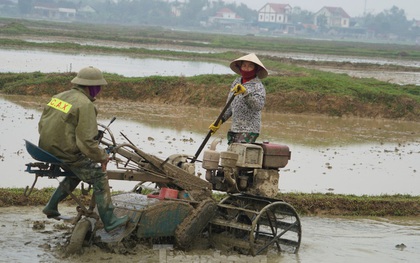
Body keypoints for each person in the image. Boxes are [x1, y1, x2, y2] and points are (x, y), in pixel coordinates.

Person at [38, 66, 128, 232]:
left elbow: (42, 124)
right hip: (64, 152)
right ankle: (110, 221)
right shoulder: (85, 105)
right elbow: (87, 142)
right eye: (98, 87)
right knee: (99, 175)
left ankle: (51, 206)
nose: (99, 91)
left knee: (79, 169)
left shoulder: (58, 97)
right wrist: (102, 157)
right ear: (91, 87)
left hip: (44, 149)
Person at [209, 53, 268, 144]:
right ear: (240, 67)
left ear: (255, 69)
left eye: (250, 66)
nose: (246, 68)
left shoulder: (258, 86)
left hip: (249, 130)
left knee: (240, 154)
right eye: (244, 65)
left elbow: (258, 106)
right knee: (232, 155)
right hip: (235, 128)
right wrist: (219, 121)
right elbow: (230, 105)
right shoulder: (236, 82)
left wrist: (245, 93)